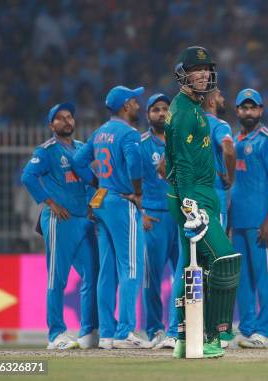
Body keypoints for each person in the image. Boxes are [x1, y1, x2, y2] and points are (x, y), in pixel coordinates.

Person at [164, 46, 241, 359]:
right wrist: (190, 207)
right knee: (224, 260)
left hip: (197, 192)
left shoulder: (192, 106)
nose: (203, 74)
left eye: (207, 69)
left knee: (189, 266)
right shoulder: (184, 113)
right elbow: (181, 165)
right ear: (184, 74)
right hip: (192, 195)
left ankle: (184, 338)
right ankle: (212, 336)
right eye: (196, 69)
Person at [73, 85, 151, 349]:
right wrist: (138, 192)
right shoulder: (129, 133)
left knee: (106, 271)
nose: (138, 105)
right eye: (135, 101)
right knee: (131, 267)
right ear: (125, 106)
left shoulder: (99, 132)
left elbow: (77, 161)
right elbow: (134, 164)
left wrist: (97, 182)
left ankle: (106, 333)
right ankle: (125, 332)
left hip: (102, 201)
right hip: (122, 201)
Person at [21, 103, 99, 350]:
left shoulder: (81, 149)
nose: (67, 121)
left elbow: (90, 182)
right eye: (60, 118)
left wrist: (91, 206)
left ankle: (88, 331)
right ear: (51, 125)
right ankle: (56, 334)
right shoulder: (46, 151)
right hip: (60, 221)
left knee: (92, 274)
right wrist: (50, 202)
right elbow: (28, 176)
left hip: (82, 220)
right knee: (57, 278)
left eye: (69, 117)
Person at [230, 88, 268, 349]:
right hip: (238, 222)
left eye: (253, 107)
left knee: (264, 277)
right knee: (242, 279)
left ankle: (265, 332)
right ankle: (248, 328)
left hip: (259, 222)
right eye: (244, 107)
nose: (248, 112)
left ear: (261, 111)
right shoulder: (233, 141)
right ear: (237, 111)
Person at [139, 93, 180, 349]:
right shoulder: (140, 144)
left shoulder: (178, 141)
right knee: (152, 279)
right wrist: (139, 212)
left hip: (179, 216)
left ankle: (177, 330)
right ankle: (155, 330)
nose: (162, 113)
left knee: (183, 277)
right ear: (148, 115)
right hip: (152, 218)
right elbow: (129, 180)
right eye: (156, 109)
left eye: (165, 109)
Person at [202, 88, 236, 230]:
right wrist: (230, 177)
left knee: (191, 249)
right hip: (214, 193)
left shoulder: (186, 125)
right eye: (219, 96)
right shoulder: (220, 125)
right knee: (216, 248)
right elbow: (228, 150)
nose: (223, 99)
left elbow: (163, 165)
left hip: (189, 195)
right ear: (211, 102)